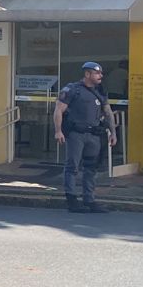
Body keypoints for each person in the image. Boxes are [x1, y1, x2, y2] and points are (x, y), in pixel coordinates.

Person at [54, 61, 115, 214]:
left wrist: (113, 132)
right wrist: (58, 131)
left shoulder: (100, 91)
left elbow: (108, 113)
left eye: (101, 73)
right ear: (87, 74)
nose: (101, 76)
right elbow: (58, 110)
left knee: (91, 168)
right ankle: (72, 200)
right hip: (76, 134)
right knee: (72, 166)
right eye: (97, 73)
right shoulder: (72, 89)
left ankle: (89, 199)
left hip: (93, 135)